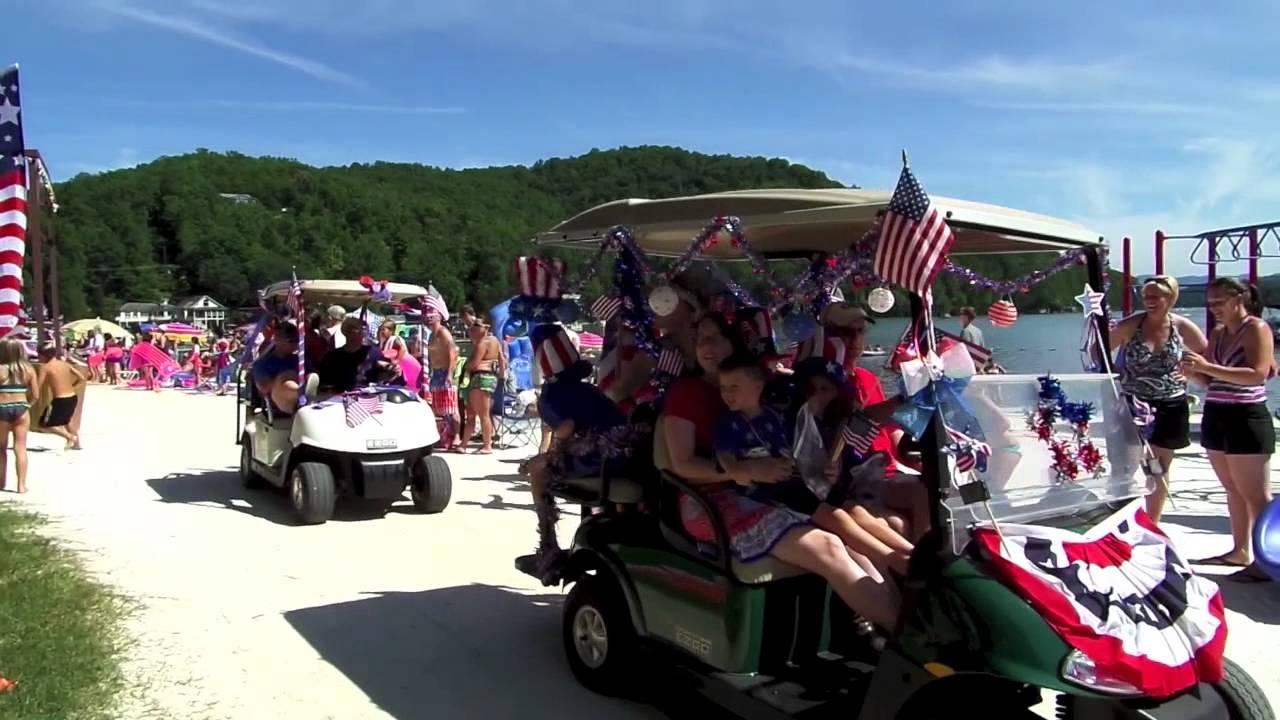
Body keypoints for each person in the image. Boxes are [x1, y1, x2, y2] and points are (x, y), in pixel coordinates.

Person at [658, 312, 899, 631]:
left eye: (714, 336)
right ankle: (906, 633)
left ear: (735, 343)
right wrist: (746, 471)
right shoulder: (687, 394)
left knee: (853, 543)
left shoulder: (767, 389)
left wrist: (824, 462)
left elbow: (804, 428)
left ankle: (895, 620)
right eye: (700, 338)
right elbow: (682, 464)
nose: (706, 346)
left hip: (771, 491)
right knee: (828, 546)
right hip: (712, 498)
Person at [1181, 278, 1276, 583]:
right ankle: (1240, 550)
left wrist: (1206, 367)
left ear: (1239, 298)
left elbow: (1257, 374)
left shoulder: (1256, 328)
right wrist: (1194, 373)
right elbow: (1215, 381)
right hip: (1218, 412)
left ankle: (1267, 557)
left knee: (1255, 494)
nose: (1214, 309)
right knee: (1232, 488)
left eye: (1219, 302)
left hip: (1246, 415)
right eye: (1210, 304)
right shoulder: (1219, 334)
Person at [516, 324, 626, 583]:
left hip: (600, 458)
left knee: (538, 469)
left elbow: (566, 428)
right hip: (627, 451)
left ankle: (548, 548)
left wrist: (547, 457)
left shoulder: (551, 395)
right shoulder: (587, 389)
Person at [1110, 276, 1208, 522]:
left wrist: (1192, 371)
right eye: (1146, 296)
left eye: (1156, 296)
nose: (1150, 301)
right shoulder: (1130, 325)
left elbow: (1206, 352)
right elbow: (1096, 349)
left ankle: (1152, 521)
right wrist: (1114, 373)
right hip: (1134, 401)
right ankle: (1123, 517)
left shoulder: (1182, 326)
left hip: (1171, 403)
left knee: (1160, 467)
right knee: (1126, 464)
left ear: (1171, 298)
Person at [0, 339, 37, 493]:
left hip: (2, 408)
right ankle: (21, 485)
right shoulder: (28, 370)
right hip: (21, 408)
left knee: (1, 448)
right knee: (20, 447)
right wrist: (27, 406)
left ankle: (1, 482)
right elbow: (35, 395)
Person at [36, 343, 88, 450]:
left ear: (44, 355)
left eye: (39, 355)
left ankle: (70, 437)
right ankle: (77, 444)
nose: (38, 357)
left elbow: (38, 386)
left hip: (60, 399)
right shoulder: (64, 364)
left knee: (45, 424)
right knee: (67, 421)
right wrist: (73, 387)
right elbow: (82, 377)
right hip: (72, 397)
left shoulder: (45, 368)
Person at [463, 319, 502, 454]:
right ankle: (463, 445)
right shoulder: (495, 341)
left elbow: (473, 364)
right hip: (491, 378)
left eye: (474, 328)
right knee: (476, 414)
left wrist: (465, 366)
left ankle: (487, 446)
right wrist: (500, 376)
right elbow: (502, 360)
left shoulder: (482, 343)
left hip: (480, 377)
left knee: (479, 415)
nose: (471, 330)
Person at [425, 308, 461, 450]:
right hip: (436, 372)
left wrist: (450, 374)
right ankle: (445, 435)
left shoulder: (443, 332)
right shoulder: (431, 335)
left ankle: (457, 436)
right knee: (439, 408)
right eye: (427, 316)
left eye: (431, 316)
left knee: (452, 407)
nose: (428, 319)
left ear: (439, 317)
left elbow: (452, 352)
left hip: (446, 371)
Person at [251, 321, 305, 416]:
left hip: (303, 403)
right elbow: (264, 387)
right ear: (277, 339)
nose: (295, 344)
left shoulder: (300, 360)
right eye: (291, 340)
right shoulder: (263, 362)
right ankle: (300, 391)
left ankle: (304, 392)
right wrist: (285, 380)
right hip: (278, 402)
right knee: (285, 379)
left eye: (298, 340)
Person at [316, 316, 378, 393]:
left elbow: (383, 376)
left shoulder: (372, 352)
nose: (362, 331)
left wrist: (388, 369)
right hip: (341, 398)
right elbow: (324, 384)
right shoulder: (332, 357)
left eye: (364, 329)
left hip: (369, 397)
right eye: (356, 328)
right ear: (346, 331)